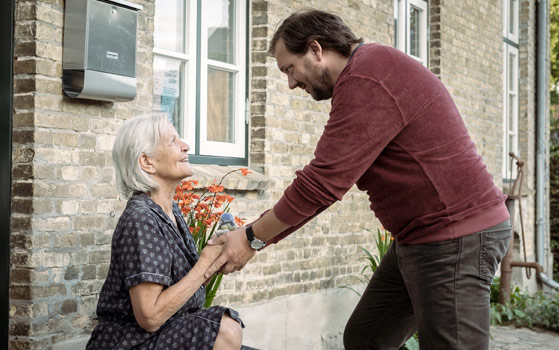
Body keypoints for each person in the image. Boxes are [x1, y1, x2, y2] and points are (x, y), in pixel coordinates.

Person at [205, 9, 511, 350]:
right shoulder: (365, 74)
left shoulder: (367, 77)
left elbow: (320, 185)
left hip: (456, 236)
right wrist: (254, 239)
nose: (291, 83)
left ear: (316, 49)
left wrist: (249, 238)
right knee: (368, 338)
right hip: (419, 237)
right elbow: (322, 188)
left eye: (289, 68)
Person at [86, 114, 251, 350]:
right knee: (225, 329)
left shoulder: (169, 210)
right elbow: (150, 316)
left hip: (164, 336)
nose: (185, 145)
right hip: (131, 343)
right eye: (172, 141)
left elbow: (182, 289)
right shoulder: (141, 218)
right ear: (147, 162)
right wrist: (204, 265)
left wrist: (218, 258)